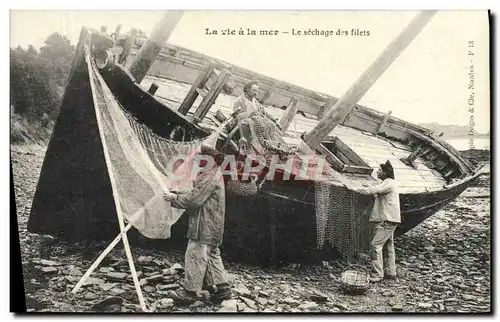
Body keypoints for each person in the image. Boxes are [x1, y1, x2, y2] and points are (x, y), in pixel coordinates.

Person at [164, 145, 232, 304]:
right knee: (212, 256)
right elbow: (196, 194)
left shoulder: (209, 177)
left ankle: (190, 292)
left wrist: (173, 199)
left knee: (195, 255)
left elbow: (194, 200)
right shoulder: (214, 174)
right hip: (213, 225)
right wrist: (179, 194)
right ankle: (223, 289)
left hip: (204, 225)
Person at [348, 160, 401, 283]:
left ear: (385, 173)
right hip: (391, 219)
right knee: (388, 246)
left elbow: (373, 190)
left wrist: (354, 188)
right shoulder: (389, 183)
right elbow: (376, 189)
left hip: (386, 220)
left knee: (375, 245)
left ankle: (377, 274)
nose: (377, 171)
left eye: (380, 170)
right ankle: (390, 272)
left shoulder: (389, 183)